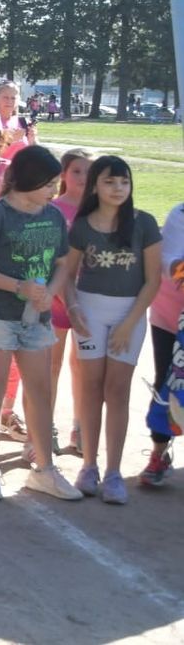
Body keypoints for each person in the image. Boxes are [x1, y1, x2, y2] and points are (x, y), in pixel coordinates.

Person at [0, 145, 81, 501]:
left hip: (36, 319)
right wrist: (19, 286)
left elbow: (62, 262)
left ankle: (44, 468)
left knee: (40, 391)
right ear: (26, 180)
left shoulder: (54, 216)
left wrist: (52, 292)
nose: (53, 191)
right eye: (48, 184)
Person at [56, 156, 161, 504]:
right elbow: (67, 277)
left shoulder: (143, 223)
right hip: (89, 312)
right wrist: (73, 309)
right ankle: (89, 465)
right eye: (109, 182)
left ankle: (114, 472)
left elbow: (153, 281)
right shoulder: (83, 225)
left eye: (124, 182)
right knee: (91, 387)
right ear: (95, 186)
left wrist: (128, 323)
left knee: (118, 391)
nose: (118, 189)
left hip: (128, 315)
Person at [49, 148, 96, 455]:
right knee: (48, 366)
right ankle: (44, 427)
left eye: (89, 172)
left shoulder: (100, 211)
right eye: (77, 170)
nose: (83, 177)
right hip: (54, 299)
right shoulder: (52, 209)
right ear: (64, 175)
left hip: (89, 298)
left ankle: (79, 427)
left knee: (83, 365)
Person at [144, 201, 184, 487]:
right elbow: (171, 261)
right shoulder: (180, 214)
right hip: (170, 317)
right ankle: (159, 452)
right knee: (167, 383)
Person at [0, 79, 38, 160]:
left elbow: (35, 154)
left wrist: (33, 141)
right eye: (5, 97)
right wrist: (9, 141)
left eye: (13, 98)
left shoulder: (23, 122)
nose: (9, 101)